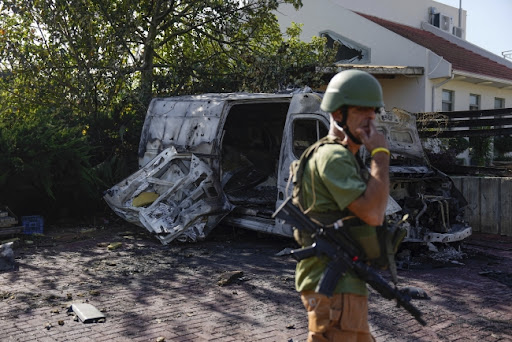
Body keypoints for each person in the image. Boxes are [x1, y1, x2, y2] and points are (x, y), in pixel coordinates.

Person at [293, 69, 390, 342]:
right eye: (361, 110)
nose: (370, 118)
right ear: (338, 115)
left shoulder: (344, 157)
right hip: (334, 285)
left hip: (341, 283)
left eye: (373, 111)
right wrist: (380, 156)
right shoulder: (334, 157)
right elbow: (372, 213)